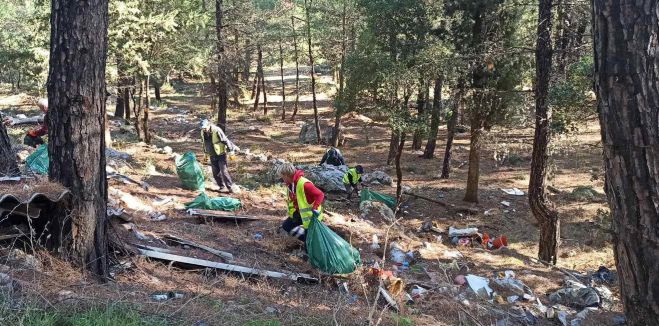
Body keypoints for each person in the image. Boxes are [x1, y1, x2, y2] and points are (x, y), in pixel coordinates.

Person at [278, 162, 325, 242]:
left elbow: (320, 195)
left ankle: (311, 243)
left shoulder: (304, 184)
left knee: (308, 245)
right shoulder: (290, 185)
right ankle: (310, 240)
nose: (282, 179)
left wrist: (315, 207)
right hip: (299, 214)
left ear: (286, 175)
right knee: (286, 226)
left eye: (282, 177)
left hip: (311, 216)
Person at [200, 119, 237, 193]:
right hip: (212, 154)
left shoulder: (217, 130)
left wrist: (231, 151)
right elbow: (204, 144)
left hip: (221, 154)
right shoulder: (202, 132)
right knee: (215, 173)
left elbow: (225, 140)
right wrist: (205, 154)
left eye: (205, 128)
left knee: (224, 171)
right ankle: (221, 187)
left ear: (209, 125)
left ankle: (230, 188)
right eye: (202, 128)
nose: (204, 129)